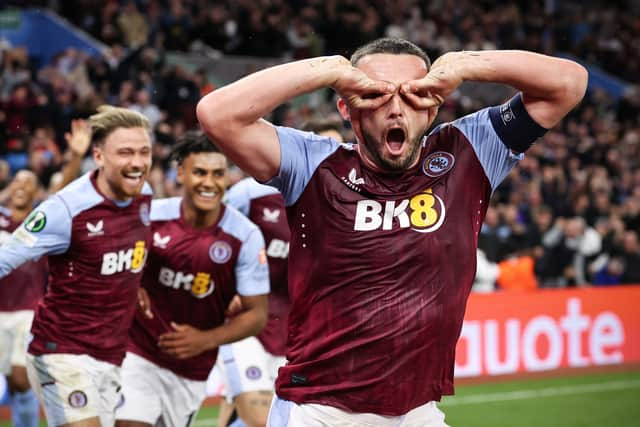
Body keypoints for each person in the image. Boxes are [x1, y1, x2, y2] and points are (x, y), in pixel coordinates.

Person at [196, 37, 588, 426]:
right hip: (319, 412)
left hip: (418, 413)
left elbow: (568, 83)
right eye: (377, 95)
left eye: (414, 95)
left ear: (434, 106)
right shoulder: (313, 163)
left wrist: (465, 64)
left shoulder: (470, 151)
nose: (396, 109)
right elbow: (217, 114)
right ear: (347, 108)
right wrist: (330, 69)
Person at [0, 105, 153, 427]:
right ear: (98, 157)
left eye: (144, 152)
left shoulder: (145, 196)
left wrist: (139, 282)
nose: (137, 163)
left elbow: (132, 248)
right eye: (125, 152)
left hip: (111, 353)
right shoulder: (65, 209)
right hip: (60, 351)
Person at [115, 133, 269, 427]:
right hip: (137, 349)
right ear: (181, 173)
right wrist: (129, 284)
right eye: (199, 172)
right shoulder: (150, 218)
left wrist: (204, 340)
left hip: (192, 366)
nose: (209, 183)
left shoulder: (245, 236)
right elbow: (111, 259)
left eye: (218, 174)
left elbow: (257, 315)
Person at [216, 176, 291, 427]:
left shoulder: (333, 201)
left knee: (279, 421)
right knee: (258, 418)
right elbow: (215, 238)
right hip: (245, 322)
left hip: (294, 332)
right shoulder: (248, 194)